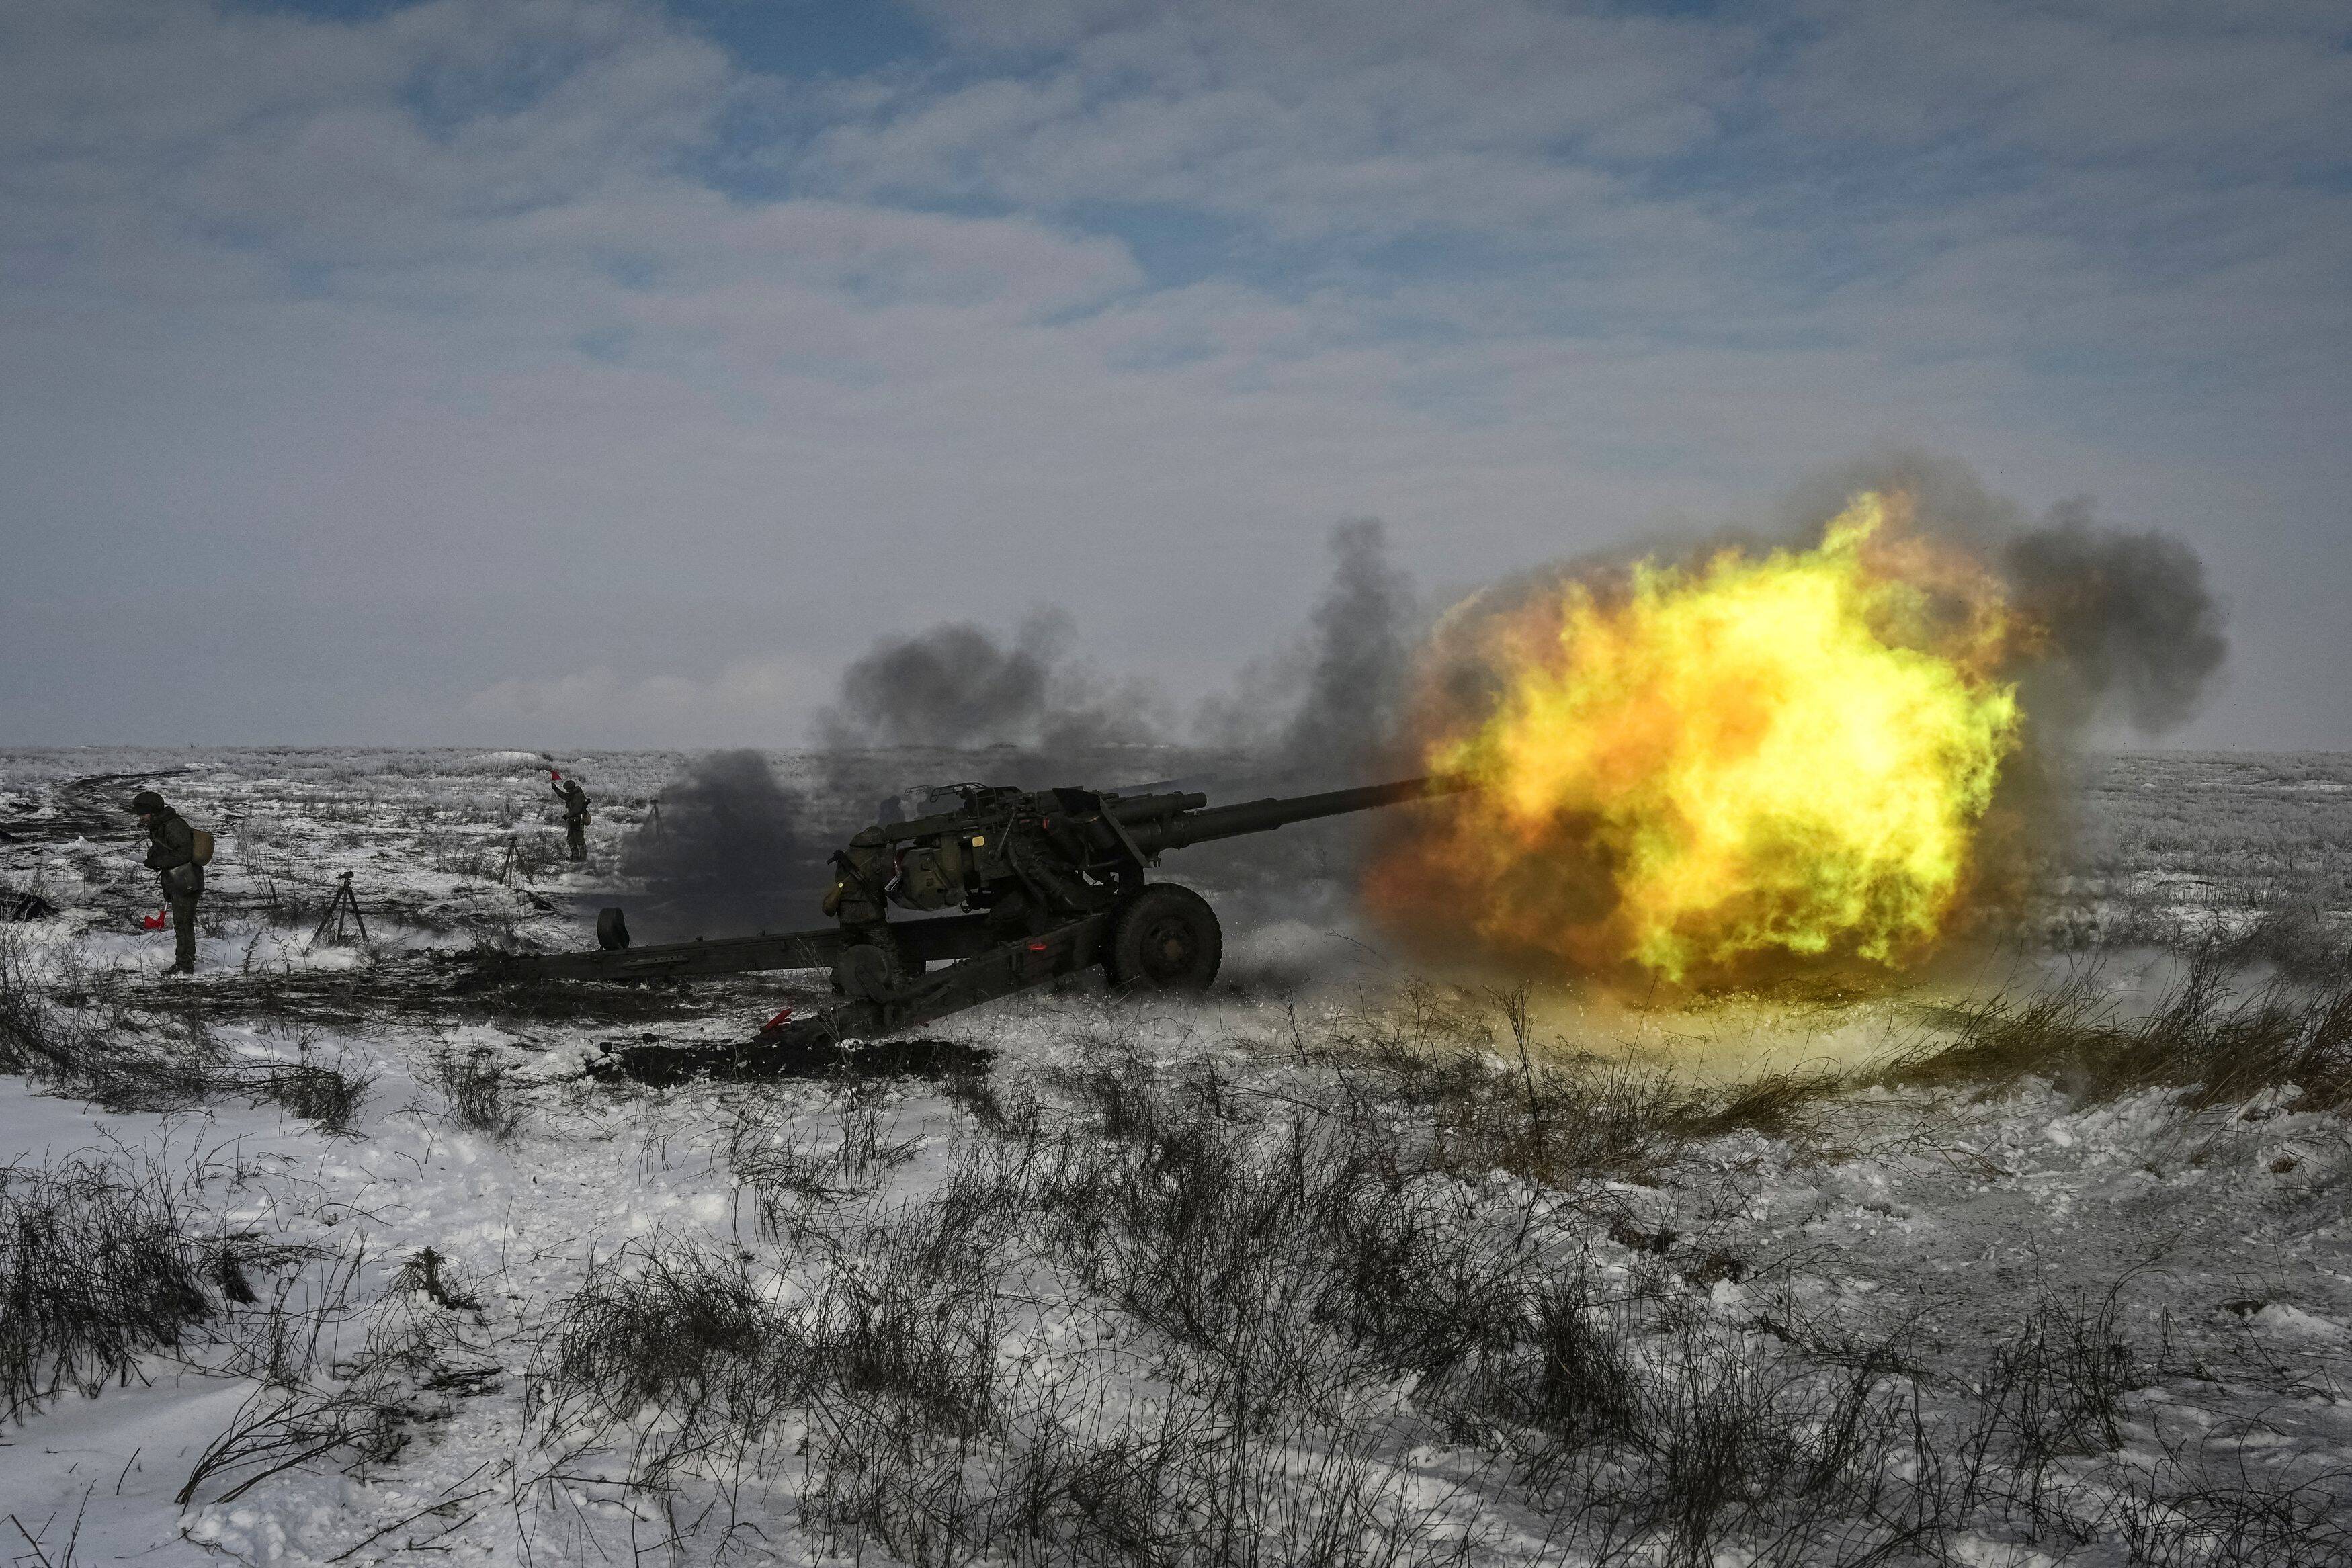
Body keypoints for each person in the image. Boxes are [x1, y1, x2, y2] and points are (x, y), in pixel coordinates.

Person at [132, 788, 202, 974]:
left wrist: (157, 862)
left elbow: (183, 854)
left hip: (187, 880)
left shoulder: (173, 826)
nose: (141, 818)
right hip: (177, 880)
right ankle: (184, 963)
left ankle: (185, 965)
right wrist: (153, 860)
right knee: (181, 923)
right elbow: (165, 852)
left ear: (153, 811)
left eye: (143, 814)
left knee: (183, 924)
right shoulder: (160, 826)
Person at [550, 772, 591, 862]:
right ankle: (575, 856)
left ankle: (583, 858)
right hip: (573, 820)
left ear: (571, 788)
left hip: (578, 819)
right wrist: (556, 789)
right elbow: (565, 796)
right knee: (571, 839)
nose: (567, 792)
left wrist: (567, 815)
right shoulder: (573, 794)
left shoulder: (578, 795)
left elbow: (577, 809)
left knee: (579, 839)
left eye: (568, 790)